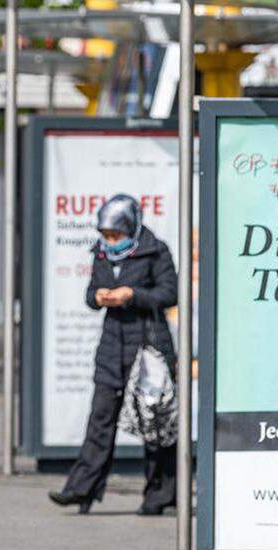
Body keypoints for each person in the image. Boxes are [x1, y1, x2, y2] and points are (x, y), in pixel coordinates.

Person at [48, 194, 179, 516]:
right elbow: (91, 295)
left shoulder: (155, 250)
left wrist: (132, 295)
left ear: (131, 228)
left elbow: (169, 293)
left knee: (154, 423)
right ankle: (81, 489)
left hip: (148, 347)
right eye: (106, 236)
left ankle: (159, 495)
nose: (111, 242)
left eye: (116, 236)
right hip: (112, 346)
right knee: (100, 420)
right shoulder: (102, 255)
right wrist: (99, 296)